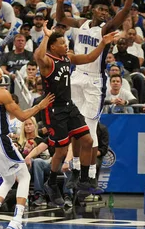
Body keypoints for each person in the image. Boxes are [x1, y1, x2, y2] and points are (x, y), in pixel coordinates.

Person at [55, 0, 135, 192]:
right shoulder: (81, 23)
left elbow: (124, 12)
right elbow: (60, 18)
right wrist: (60, 1)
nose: (104, 13)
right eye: (100, 9)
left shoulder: (106, 29)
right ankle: (75, 172)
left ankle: (89, 176)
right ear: (92, 9)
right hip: (76, 76)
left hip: (94, 82)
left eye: (106, 11)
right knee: (75, 130)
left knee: (88, 132)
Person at [29, 23, 118, 201]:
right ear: (53, 46)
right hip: (55, 111)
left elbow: (89, 58)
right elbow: (37, 56)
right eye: (62, 43)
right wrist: (46, 36)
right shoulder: (47, 62)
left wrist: (103, 43)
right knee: (61, 151)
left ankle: (84, 180)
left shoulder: (67, 58)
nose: (66, 46)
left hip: (69, 106)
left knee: (88, 139)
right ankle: (51, 183)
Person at [0, 61, 53, 229]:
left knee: (8, 178)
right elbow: (22, 116)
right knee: (24, 176)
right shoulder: (1, 93)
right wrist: (40, 106)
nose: (1, 71)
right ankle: (17, 221)